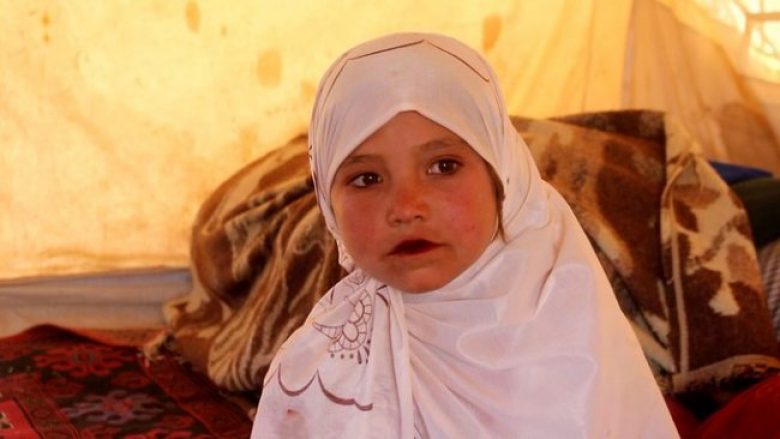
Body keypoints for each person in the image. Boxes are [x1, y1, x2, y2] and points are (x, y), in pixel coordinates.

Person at [251, 32, 678, 438]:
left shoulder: (572, 329)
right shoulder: (317, 371)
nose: (406, 207)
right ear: (328, 202)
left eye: (443, 167)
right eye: (366, 178)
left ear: (502, 178)